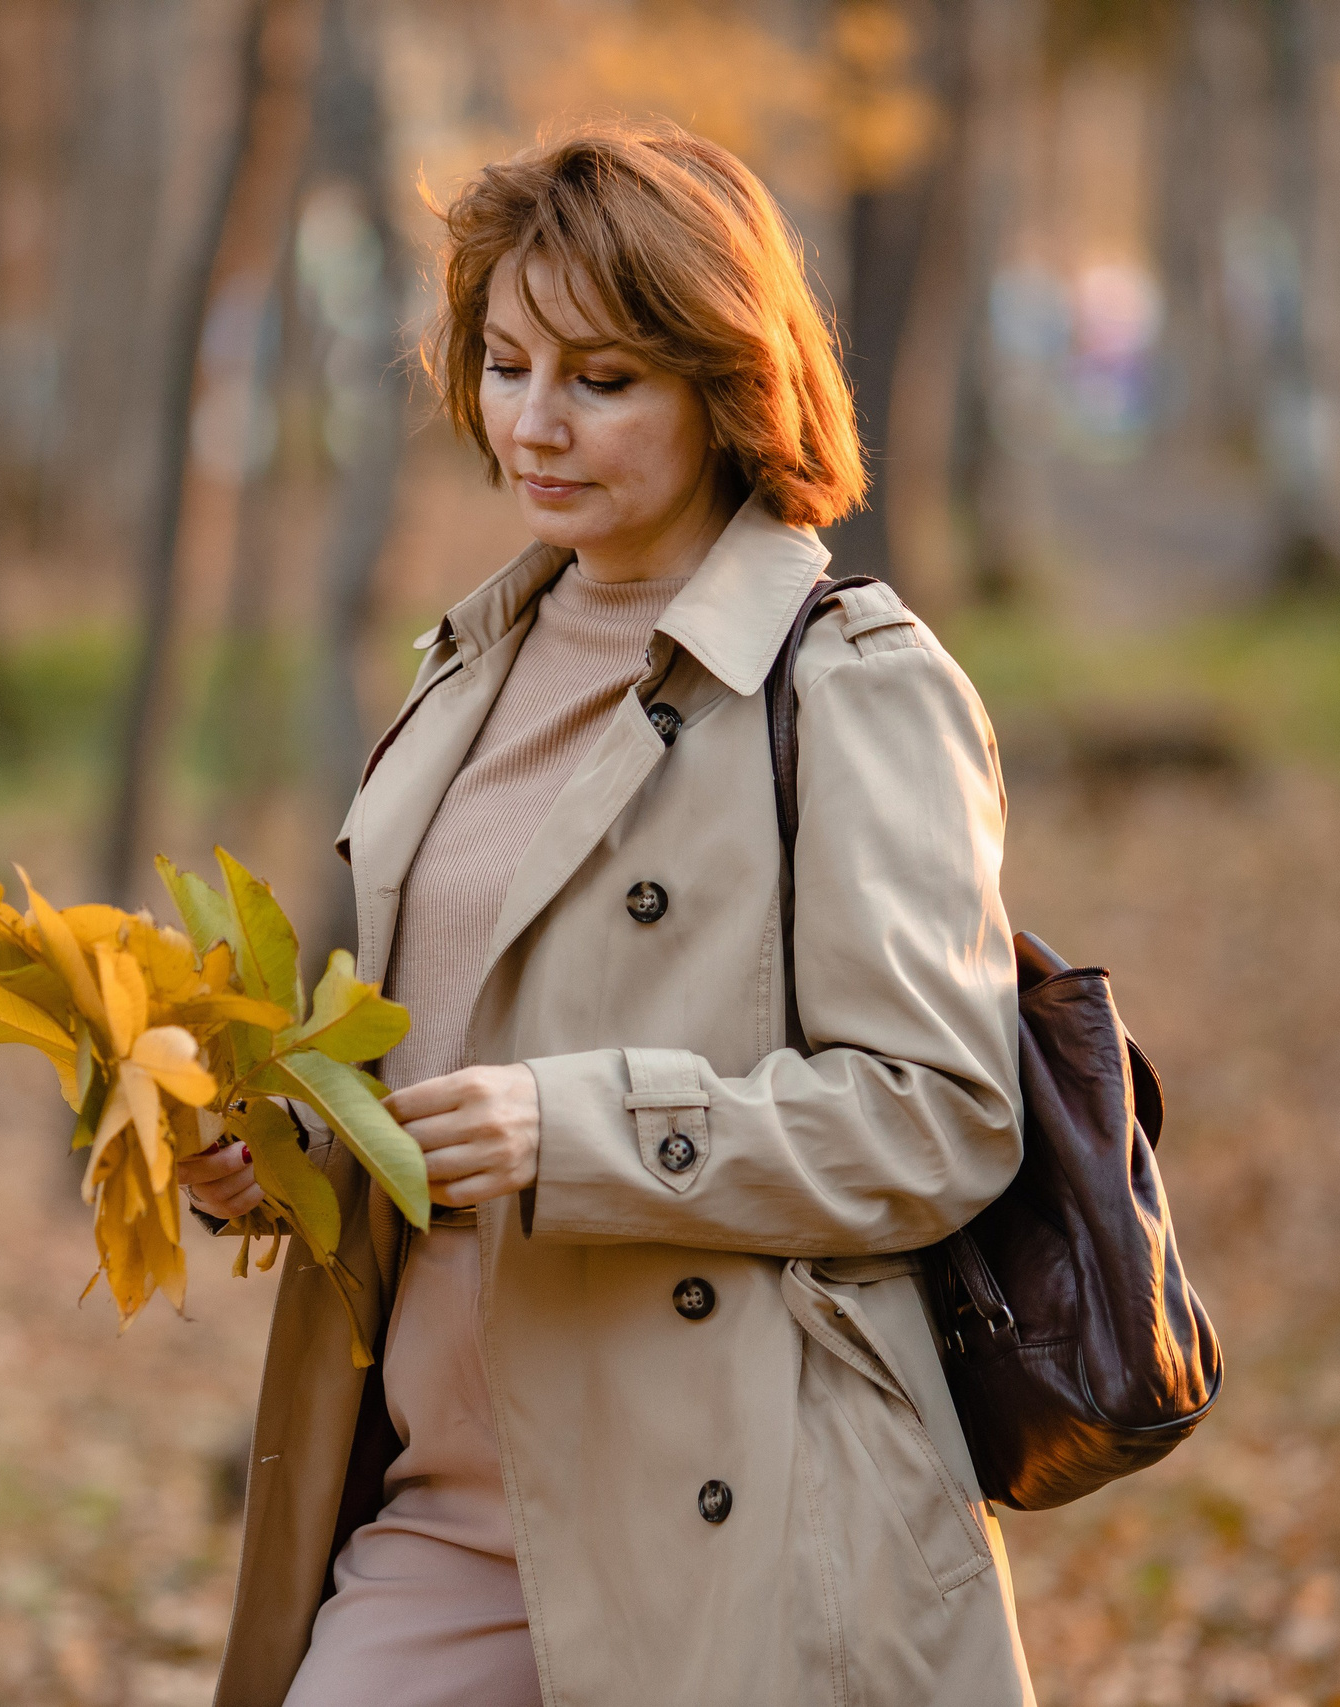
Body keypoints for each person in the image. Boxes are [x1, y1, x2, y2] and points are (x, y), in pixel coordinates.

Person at [177, 119, 1034, 1706]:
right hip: (444, 1506)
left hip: (735, 1517)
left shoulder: (851, 687)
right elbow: (435, 1058)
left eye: (604, 378)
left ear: (729, 386)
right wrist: (280, 1161)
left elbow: (945, 1118)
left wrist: (580, 1133)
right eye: (506, 365)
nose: (534, 425)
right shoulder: (466, 672)